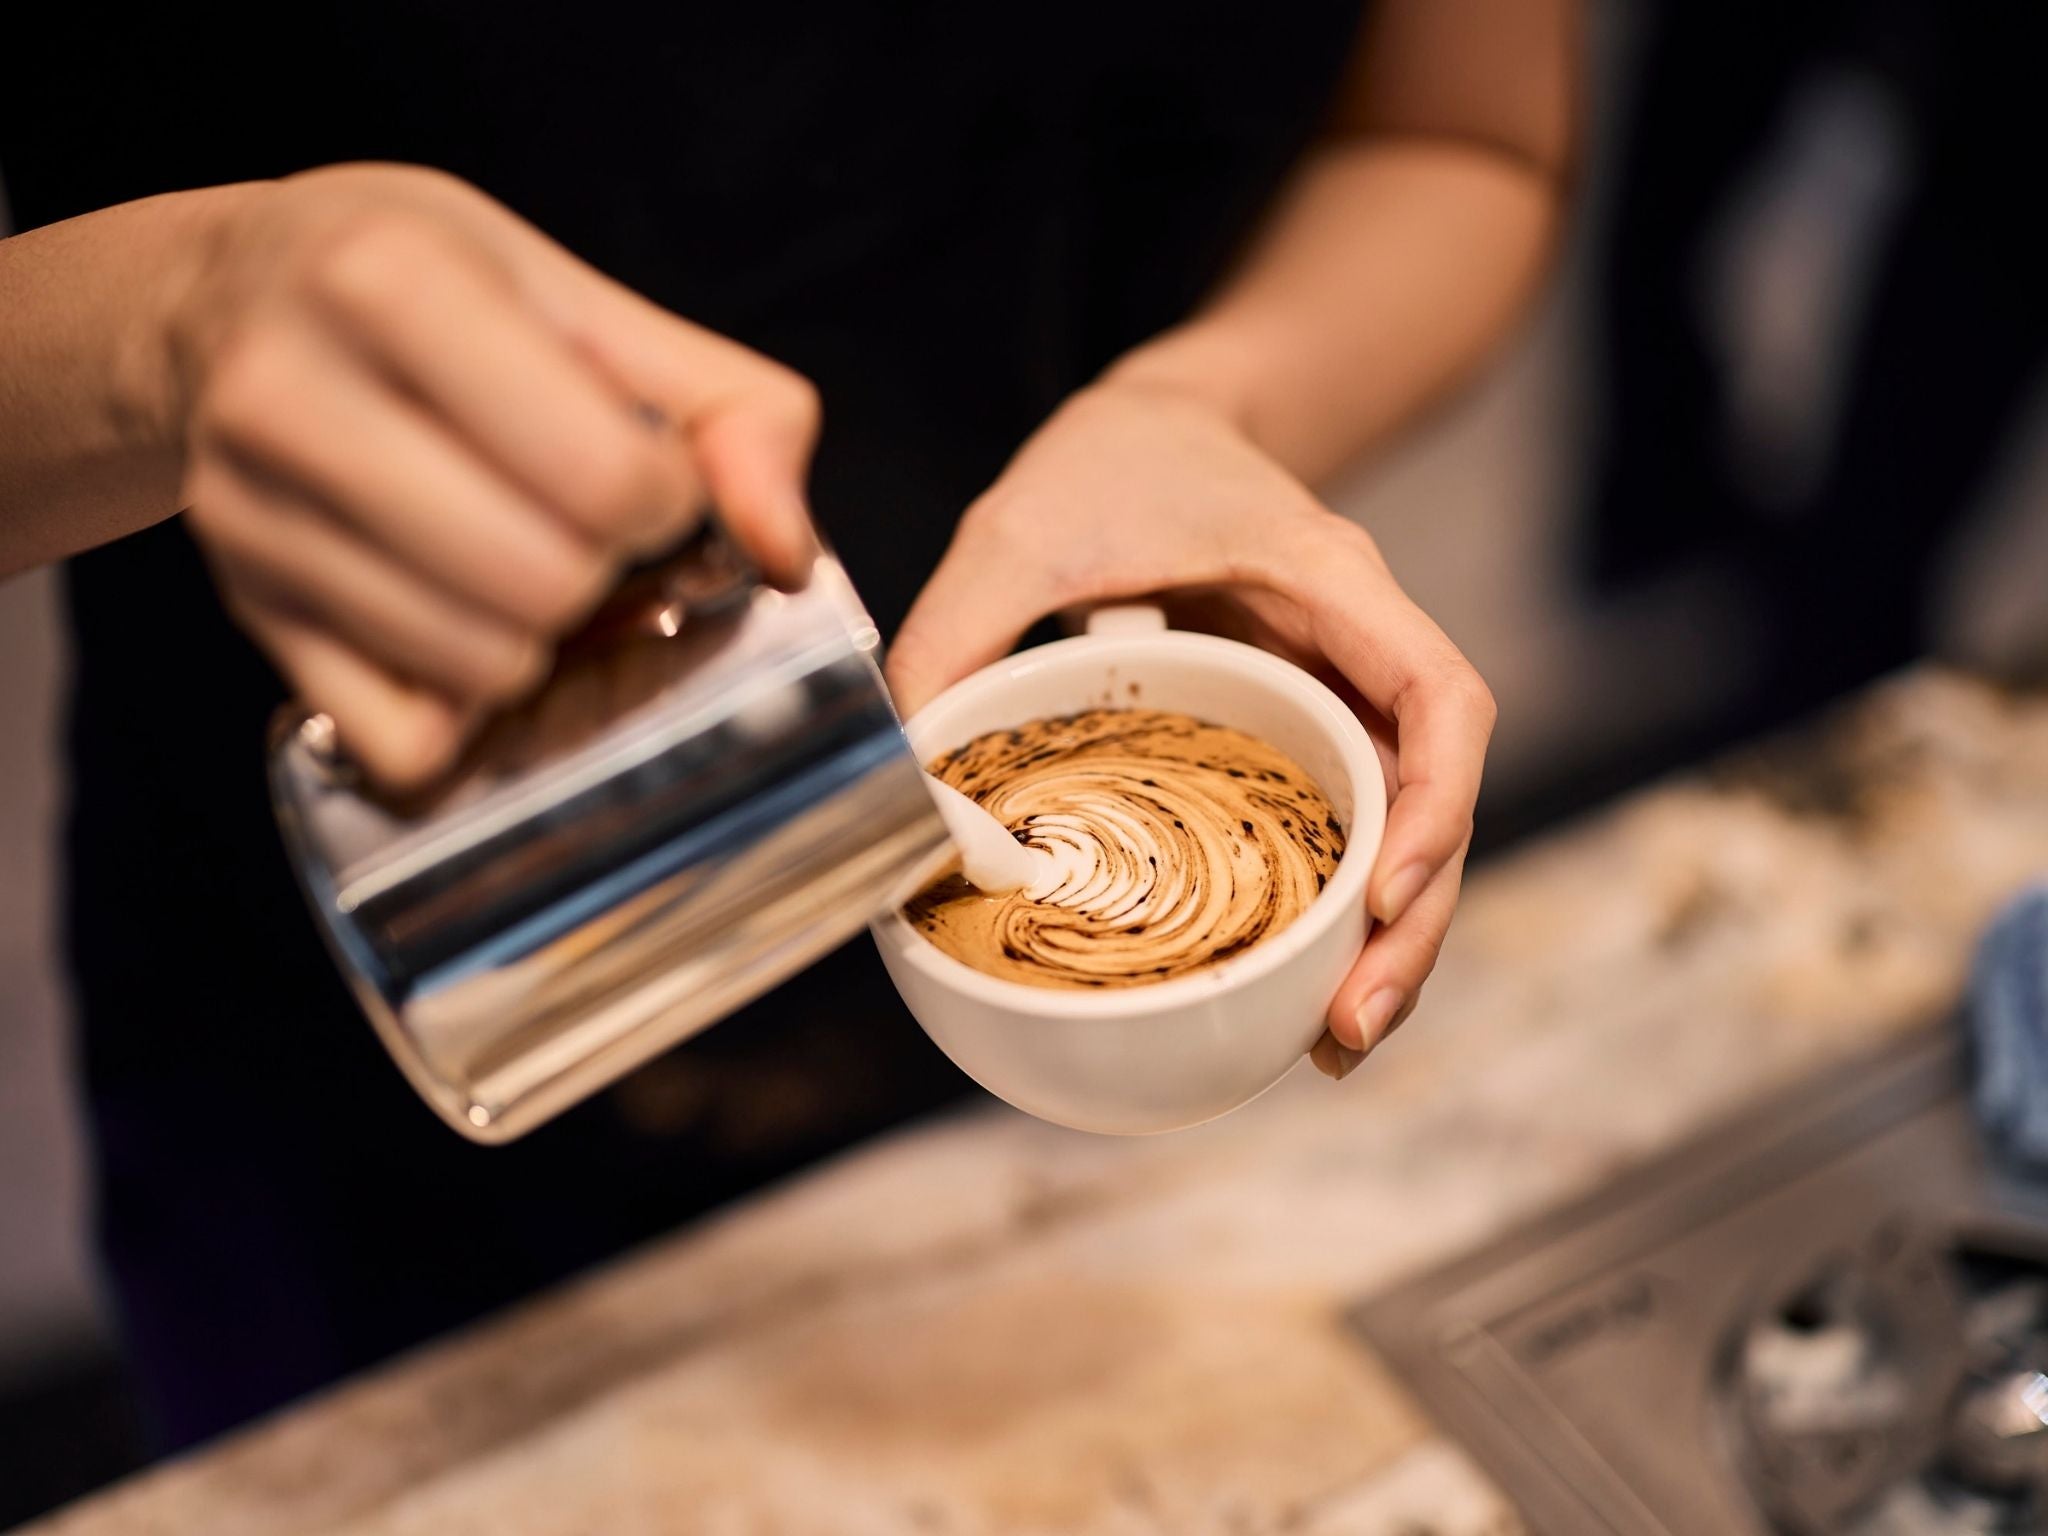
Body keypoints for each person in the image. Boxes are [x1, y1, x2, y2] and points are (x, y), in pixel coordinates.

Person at [0, 0, 1571, 1448]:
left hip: (1077, 1103)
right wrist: (175, 328)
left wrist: (1208, 403)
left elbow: (1461, 134)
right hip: (394, 965)